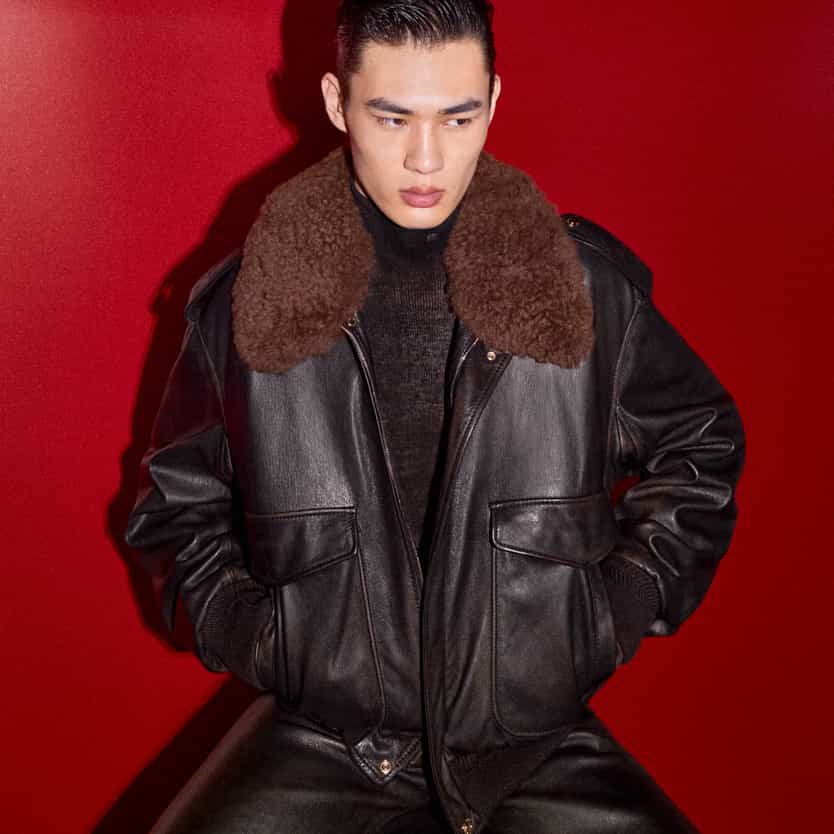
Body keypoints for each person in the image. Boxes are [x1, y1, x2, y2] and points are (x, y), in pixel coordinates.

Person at [124, 1, 745, 831]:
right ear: (337, 103)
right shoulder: (250, 305)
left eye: (458, 118)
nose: (427, 158)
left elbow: (703, 445)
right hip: (334, 737)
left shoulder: (584, 288)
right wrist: (262, 638)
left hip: (528, 738)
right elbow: (174, 510)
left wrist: (612, 612)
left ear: (494, 101)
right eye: (392, 118)